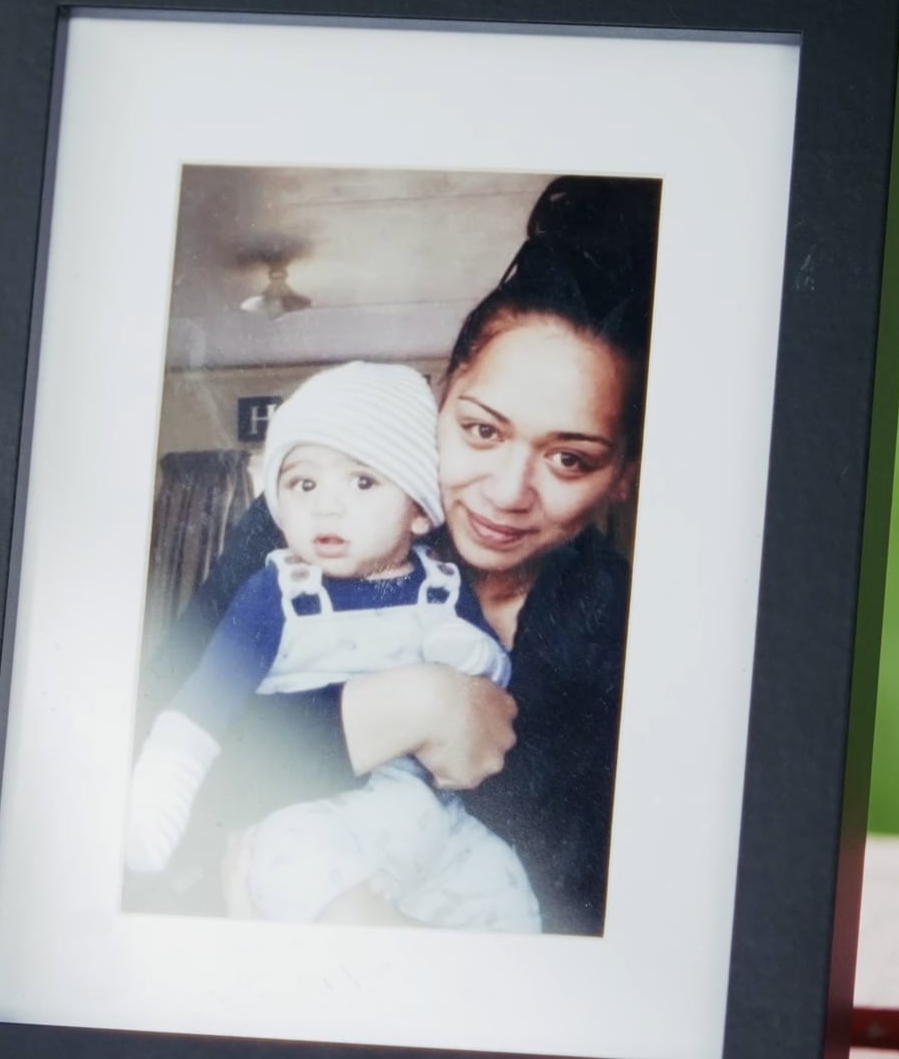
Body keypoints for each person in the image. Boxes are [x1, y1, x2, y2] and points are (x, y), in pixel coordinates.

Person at [129, 175, 658, 935]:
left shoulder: (625, 634)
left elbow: (597, 919)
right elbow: (149, 765)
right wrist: (403, 707)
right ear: (444, 397)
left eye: (570, 459)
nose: (508, 491)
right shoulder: (306, 528)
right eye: (481, 430)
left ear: (623, 480)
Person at [123, 361, 538, 930]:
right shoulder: (277, 593)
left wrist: (474, 662)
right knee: (303, 872)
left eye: (363, 481)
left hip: (431, 821)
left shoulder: (442, 586)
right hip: (311, 814)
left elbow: (488, 676)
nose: (326, 506)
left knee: (502, 886)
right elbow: (201, 706)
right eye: (304, 483)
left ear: (419, 511)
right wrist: (160, 794)